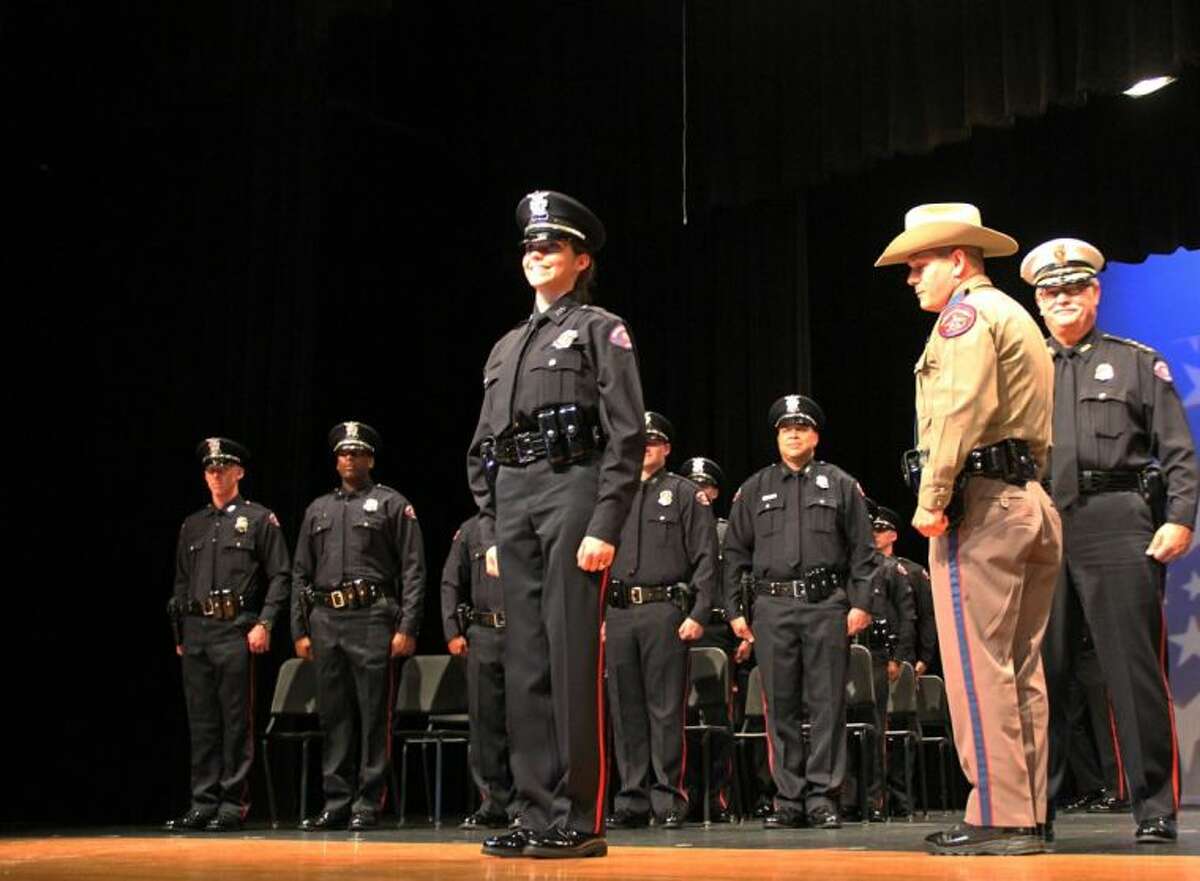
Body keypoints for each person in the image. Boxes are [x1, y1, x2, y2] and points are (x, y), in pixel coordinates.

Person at [875, 203, 1062, 855]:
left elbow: (958, 411)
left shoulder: (966, 317)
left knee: (979, 670)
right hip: (1031, 499)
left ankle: (998, 813)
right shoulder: (1016, 314)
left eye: (920, 264)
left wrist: (932, 497)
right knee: (1020, 668)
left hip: (981, 506)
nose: (911, 278)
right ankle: (1029, 809)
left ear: (959, 260)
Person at [466, 190, 645, 859]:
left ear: (579, 259)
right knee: (524, 661)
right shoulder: (506, 347)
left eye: (551, 247)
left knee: (569, 652)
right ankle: (533, 808)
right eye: (530, 248)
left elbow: (626, 435)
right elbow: (482, 445)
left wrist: (605, 520)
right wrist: (488, 525)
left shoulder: (601, 328)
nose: (537, 256)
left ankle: (577, 814)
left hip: (572, 490)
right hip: (512, 498)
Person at [1022, 237, 1197, 843]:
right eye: (1051, 291)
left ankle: (1154, 809)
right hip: (1040, 524)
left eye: (1074, 288)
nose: (1063, 299)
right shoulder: (1023, 370)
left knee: (1132, 669)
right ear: (1038, 302)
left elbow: (1177, 449)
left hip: (1117, 518)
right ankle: (1032, 810)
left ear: (1094, 293)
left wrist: (1181, 516)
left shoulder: (1134, 362)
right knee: (1041, 674)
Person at [723, 394, 877, 830]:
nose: (793, 432)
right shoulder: (754, 489)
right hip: (771, 609)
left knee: (828, 702)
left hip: (826, 605)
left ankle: (823, 796)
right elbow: (733, 554)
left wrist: (861, 603)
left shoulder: (841, 484)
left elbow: (864, 554)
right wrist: (736, 611)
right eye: (785, 427)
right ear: (776, 437)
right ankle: (788, 798)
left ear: (816, 435)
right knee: (781, 705)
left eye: (802, 426)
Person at [291, 421, 425, 832]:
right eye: (343, 454)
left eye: (357, 453)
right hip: (326, 619)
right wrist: (300, 629)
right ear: (336, 461)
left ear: (370, 458)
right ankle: (336, 801)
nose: (349, 459)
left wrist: (408, 625)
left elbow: (414, 569)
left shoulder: (391, 504)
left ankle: (368, 800)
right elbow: (300, 572)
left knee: (372, 714)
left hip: (372, 617)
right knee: (334, 715)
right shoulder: (318, 509)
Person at [165, 437, 291, 832]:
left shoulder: (258, 519)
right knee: (202, 722)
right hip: (198, 630)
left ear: (239, 472)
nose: (216, 475)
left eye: (223, 468)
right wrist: (180, 632)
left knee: (235, 721)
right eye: (210, 469)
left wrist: (264, 623)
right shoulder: (194, 524)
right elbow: (182, 582)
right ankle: (202, 802)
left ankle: (231, 805)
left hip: (235, 630)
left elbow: (281, 576)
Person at [605, 412, 718, 830]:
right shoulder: (611, 495)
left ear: (666, 448)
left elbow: (707, 558)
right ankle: (631, 799)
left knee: (665, 708)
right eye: (639, 440)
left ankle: (668, 796)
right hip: (618, 612)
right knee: (625, 710)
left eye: (653, 441)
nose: (645, 447)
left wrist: (698, 613)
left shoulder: (686, 494)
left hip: (665, 611)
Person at [440, 513, 517, 829]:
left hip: (522, 633)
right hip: (482, 633)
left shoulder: (527, 520)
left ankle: (524, 806)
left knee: (524, 725)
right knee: (485, 725)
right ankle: (493, 805)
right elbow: (450, 581)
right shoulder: (471, 530)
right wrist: (451, 631)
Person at [842, 503, 916, 822]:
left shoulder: (889, 568)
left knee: (874, 729)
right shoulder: (844, 565)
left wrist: (899, 657)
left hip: (876, 654)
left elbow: (907, 616)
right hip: (844, 653)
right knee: (842, 728)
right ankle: (846, 798)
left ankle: (875, 798)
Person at [682, 455, 746, 821]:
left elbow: (741, 582)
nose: (699, 493)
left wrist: (745, 630)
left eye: (705, 486)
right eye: (692, 485)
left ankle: (717, 796)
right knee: (680, 716)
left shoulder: (726, 532)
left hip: (720, 630)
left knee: (719, 718)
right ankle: (686, 794)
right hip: (678, 628)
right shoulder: (674, 526)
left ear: (715, 492)